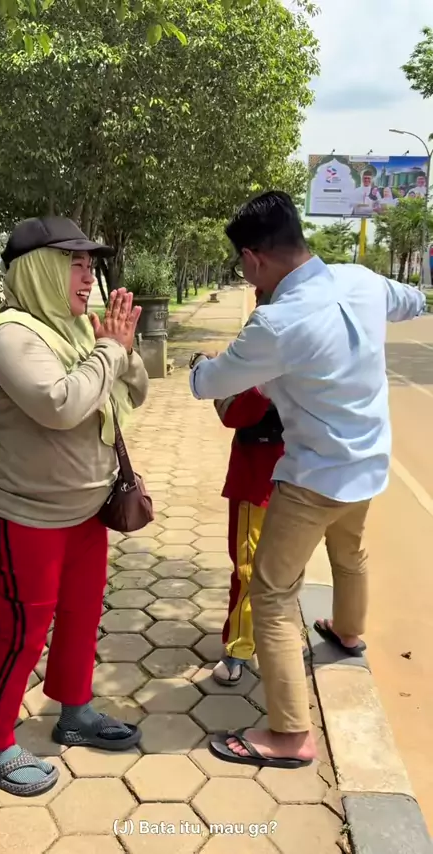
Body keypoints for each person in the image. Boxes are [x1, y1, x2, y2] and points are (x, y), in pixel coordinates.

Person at [189, 191, 425, 770]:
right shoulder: (361, 280)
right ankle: (348, 632)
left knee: (271, 595)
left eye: (242, 266)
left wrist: (200, 364)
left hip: (314, 478)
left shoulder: (275, 322)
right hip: (368, 464)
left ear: (253, 258)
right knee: (350, 553)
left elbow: (210, 385)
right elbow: (413, 300)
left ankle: (290, 734)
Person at [0, 216, 149, 797]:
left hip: (84, 506)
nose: (88, 277)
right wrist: (110, 351)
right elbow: (61, 405)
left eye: (91, 265)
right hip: (23, 511)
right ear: (39, 270)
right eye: (75, 264)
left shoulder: (76, 327)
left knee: (83, 613)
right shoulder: (10, 336)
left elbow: (134, 390)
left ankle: (75, 711)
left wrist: (120, 351)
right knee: (23, 629)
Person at [208, 289, 286, 686]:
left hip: (290, 479)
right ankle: (244, 645)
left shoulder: (312, 348)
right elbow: (232, 410)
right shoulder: (250, 351)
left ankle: (264, 641)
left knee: (275, 569)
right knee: (253, 566)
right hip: (263, 478)